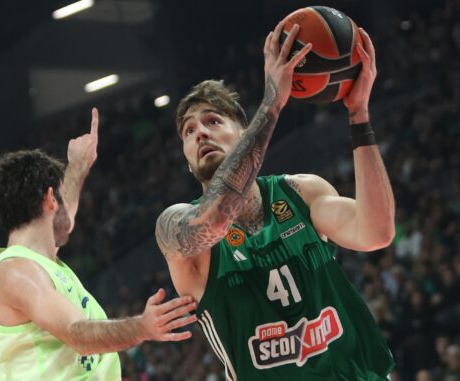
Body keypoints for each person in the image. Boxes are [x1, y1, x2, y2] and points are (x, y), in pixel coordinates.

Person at [155, 21, 396, 380]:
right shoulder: (176, 227)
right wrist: (272, 103)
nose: (200, 132)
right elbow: (218, 218)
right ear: (188, 161)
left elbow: (377, 232)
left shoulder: (302, 192)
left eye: (213, 121)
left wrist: (359, 115)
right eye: (189, 132)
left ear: (244, 132)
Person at [0, 108, 198, 380]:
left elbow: (63, 222)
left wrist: (78, 166)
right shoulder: (17, 273)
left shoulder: (34, 262)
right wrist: (142, 327)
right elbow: (76, 332)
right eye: (58, 196)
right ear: (50, 199)